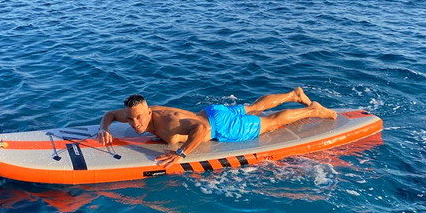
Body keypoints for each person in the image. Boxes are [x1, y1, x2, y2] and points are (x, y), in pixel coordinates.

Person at [97, 87, 337, 167]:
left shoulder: (168, 122)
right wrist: (105, 129)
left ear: (149, 112)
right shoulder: (133, 112)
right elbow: (109, 114)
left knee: (271, 123)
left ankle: (313, 110)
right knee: (253, 107)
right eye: (130, 119)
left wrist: (181, 153)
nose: (134, 123)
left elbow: (200, 129)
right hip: (213, 111)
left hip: (220, 125)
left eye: (139, 118)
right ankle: (294, 94)